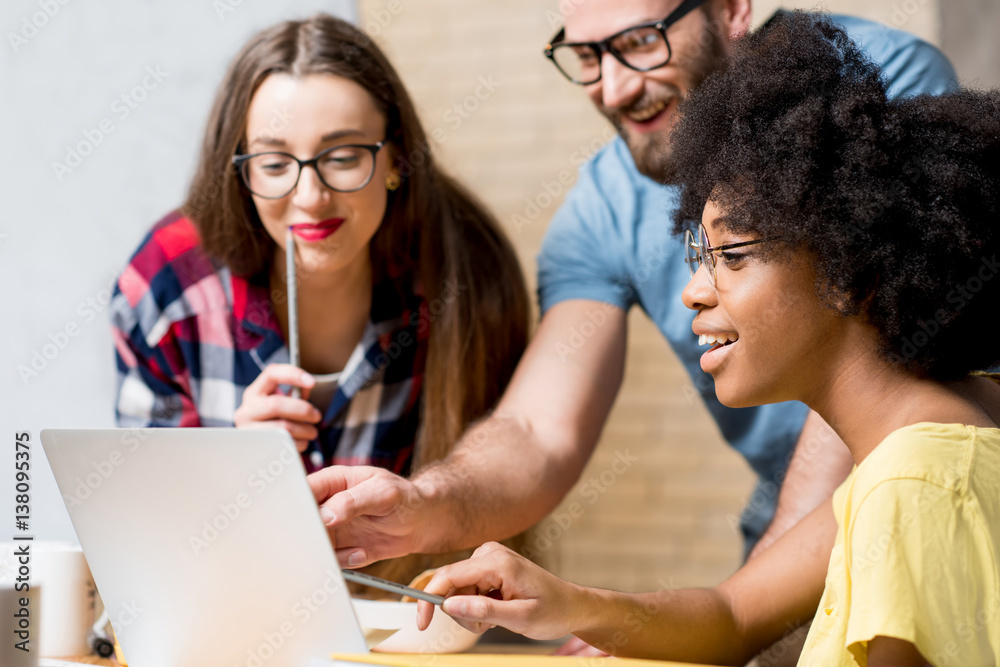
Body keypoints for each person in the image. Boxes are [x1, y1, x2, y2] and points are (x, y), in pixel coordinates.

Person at [412, 13, 1000, 665]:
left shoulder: (916, 485)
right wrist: (569, 602)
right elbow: (732, 614)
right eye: (699, 253)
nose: (693, 291)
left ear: (844, 265)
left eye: (734, 255)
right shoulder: (900, 464)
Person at [308, 0, 955, 571]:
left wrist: (735, 612)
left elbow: (882, 366)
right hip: (781, 526)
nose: (613, 88)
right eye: (585, 56)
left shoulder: (876, 83)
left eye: (641, 41)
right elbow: (537, 429)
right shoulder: (600, 210)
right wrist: (428, 501)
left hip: (935, 490)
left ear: (730, 9)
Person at [109, 14, 530, 584]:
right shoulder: (167, 283)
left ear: (395, 160)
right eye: (275, 163)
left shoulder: (466, 270)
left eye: (343, 156)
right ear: (239, 171)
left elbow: (502, 505)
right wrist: (231, 470)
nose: (310, 197)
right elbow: (140, 539)